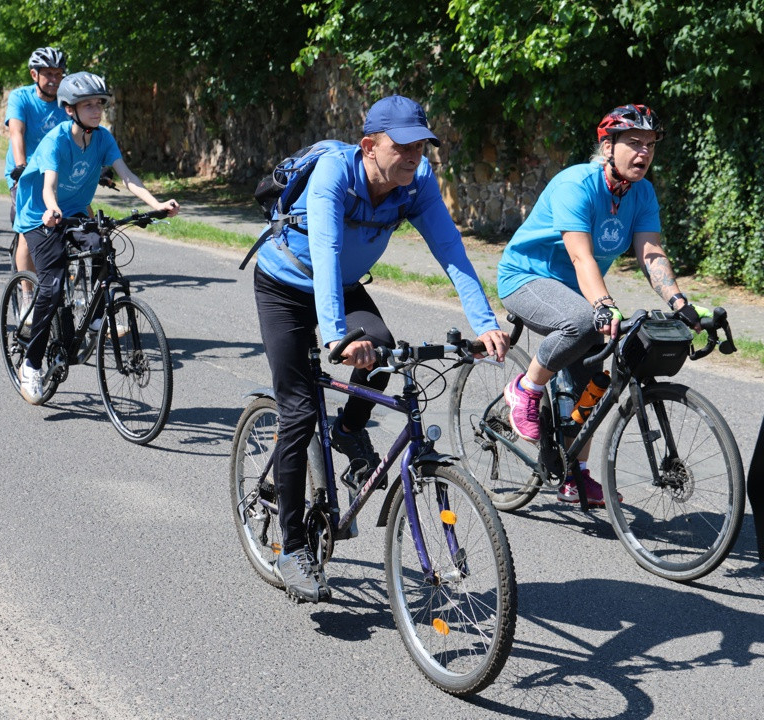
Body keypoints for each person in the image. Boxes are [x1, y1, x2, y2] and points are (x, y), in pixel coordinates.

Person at [252, 95, 509, 602]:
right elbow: (324, 251)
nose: (415, 156)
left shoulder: (416, 185)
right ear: (369, 146)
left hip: (344, 288)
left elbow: (450, 249)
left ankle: (348, 431)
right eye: (404, 146)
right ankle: (293, 548)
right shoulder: (334, 175)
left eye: (423, 147)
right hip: (285, 286)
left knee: (387, 351)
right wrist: (336, 336)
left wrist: (484, 322)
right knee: (300, 414)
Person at [497, 104, 710, 506]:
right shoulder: (576, 185)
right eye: (633, 143)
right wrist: (603, 304)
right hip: (526, 278)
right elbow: (581, 257)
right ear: (607, 145)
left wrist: (680, 302)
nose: (643, 153)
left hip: (578, 290)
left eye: (649, 144)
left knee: (590, 382)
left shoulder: (641, 192)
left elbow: (650, 252)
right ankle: (525, 386)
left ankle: (574, 473)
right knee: (583, 321)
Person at [12, 71, 179, 404]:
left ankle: (96, 317)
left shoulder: (102, 138)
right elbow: (48, 186)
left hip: (74, 211)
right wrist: (53, 209)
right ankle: (30, 365)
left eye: (99, 104)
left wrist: (156, 204)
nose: (96, 110)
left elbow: (127, 176)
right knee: (53, 283)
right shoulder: (56, 140)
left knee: (102, 243)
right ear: (70, 109)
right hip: (39, 215)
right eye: (87, 104)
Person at [5, 47, 69, 275]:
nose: (54, 80)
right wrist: (21, 166)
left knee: (84, 217)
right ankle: (26, 294)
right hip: (27, 173)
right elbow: (16, 132)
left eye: (58, 74)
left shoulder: (66, 102)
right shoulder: (20, 97)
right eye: (48, 74)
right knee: (28, 228)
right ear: (35, 75)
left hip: (56, 171)